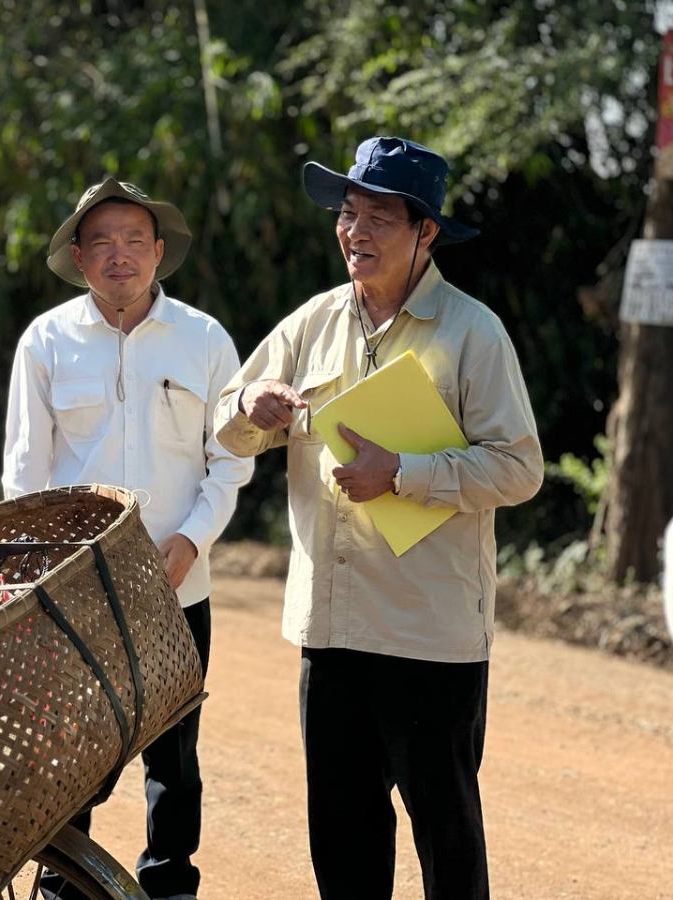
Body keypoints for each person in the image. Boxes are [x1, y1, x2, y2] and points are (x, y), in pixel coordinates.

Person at [213, 137, 544, 900]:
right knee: (343, 847)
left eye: (379, 219)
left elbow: (520, 468)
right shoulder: (313, 322)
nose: (354, 232)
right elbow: (230, 426)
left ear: (426, 231)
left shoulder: (473, 333)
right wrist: (250, 404)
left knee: (447, 847)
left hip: (430, 636)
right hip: (331, 635)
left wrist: (404, 473)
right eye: (347, 214)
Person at [3, 176, 253, 900]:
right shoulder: (46, 342)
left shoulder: (205, 340)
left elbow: (230, 460)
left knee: (174, 757)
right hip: (77, 592)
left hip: (179, 584)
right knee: (74, 749)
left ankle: (170, 885)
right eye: (103, 243)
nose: (120, 255)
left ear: (159, 252)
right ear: (79, 258)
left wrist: (191, 543)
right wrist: (43, 575)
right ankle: (63, 888)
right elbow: (25, 474)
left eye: (135, 240)